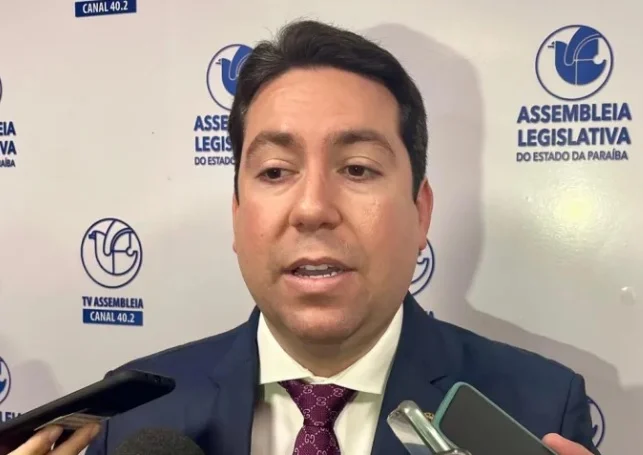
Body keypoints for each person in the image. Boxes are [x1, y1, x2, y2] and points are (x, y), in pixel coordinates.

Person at [9, 19, 600, 455]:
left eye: (358, 169)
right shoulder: (134, 417)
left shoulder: (537, 407)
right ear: (237, 214)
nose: (313, 208)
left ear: (421, 213)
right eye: (275, 172)